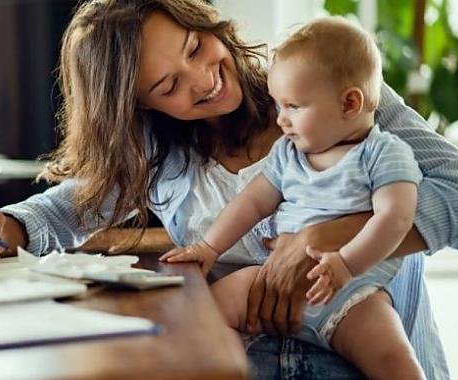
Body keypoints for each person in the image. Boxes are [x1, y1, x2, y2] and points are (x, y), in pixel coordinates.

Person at [0, 0, 458, 378]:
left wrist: (330, 237)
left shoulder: (328, 85)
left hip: (369, 357)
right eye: (169, 85)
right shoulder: (158, 153)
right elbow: (66, 208)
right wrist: (2, 228)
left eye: (196, 48)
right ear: (141, 107)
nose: (203, 79)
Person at [159, 17, 425, 379]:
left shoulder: (384, 154)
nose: (281, 120)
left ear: (349, 103)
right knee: (205, 315)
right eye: (278, 106)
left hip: (353, 294)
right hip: (271, 280)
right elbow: (251, 204)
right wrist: (208, 247)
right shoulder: (289, 153)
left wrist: (345, 264)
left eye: (294, 107)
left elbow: (395, 218)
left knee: (396, 361)